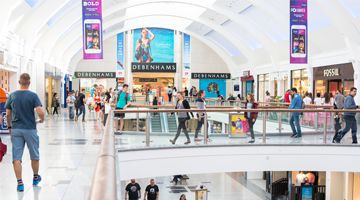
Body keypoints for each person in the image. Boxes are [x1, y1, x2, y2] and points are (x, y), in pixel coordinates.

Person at [5, 73, 45, 192]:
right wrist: (41, 119)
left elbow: (8, 114)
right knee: (34, 155)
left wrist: (10, 126)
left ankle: (20, 183)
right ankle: (35, 178)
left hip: (16, 129)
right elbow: (41, 112)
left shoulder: (12, 95)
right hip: (30, 129)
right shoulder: (33, 96)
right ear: (29, 82)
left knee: (16, 157)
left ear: (19, 82)